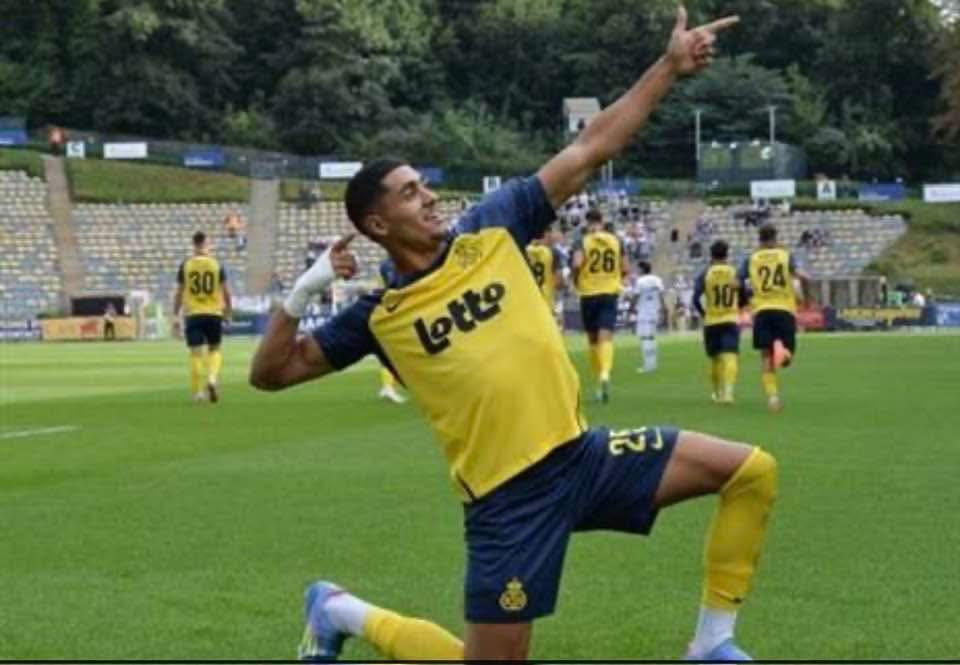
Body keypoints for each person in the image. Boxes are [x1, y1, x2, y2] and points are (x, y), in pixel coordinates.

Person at [250, 9, 774, 662]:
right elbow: (271, 373)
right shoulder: (378, 315)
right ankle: (337, 611)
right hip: (508, 502)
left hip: (584, 459)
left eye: (424, 185)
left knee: (750, 471)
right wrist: (303, 292)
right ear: (376, 225)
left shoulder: (492, 226)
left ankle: (712, 643)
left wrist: (668, 67)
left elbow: (590, 149)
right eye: (410, 193)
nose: (429, 196)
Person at [739, 223, 810, 413]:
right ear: (775, 237)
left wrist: (746, 300)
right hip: (785, 309)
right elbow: (804, 278)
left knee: (765, 356)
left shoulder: (751, 259)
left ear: (759, 239)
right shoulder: (785, 255)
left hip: (762, 310)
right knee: (786, 358)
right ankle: (781, 349)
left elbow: (740, 283)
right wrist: (806, 298)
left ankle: (773, 398)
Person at [572, 208, 628, 402]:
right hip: (609, 292)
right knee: (606, 336)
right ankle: (605, 373)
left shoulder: (582, 241)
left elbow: (577, 263)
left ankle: (598, 380)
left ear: (587, 222)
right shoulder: (616, 240)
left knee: (593, 339)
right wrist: (616, 278)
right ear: (602, 221)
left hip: (588, 292)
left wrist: (576, 280)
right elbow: (625, 267)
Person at [173, 231, 232, 403]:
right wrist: (228, 312)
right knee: (215, 349)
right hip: (214, 313)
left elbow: (179, 292)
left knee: (196, 353)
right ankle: (212, 379)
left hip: (193, 313)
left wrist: (175, 314)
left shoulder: (186, 265)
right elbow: (226, 292)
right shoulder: (216, 264)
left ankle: (198, 392)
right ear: (207, 244)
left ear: (194, 244)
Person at [693, 240, 742, 405]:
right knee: (730, 355)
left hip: (712, 321)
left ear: (711, 255)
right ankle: (728, 393)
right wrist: (738, 305)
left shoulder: (705, 273)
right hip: (730, 319)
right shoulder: (733, 272)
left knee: (715, 358)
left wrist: (704, 313)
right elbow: (743, 292)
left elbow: (695, 298)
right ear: (727, 254)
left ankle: (716, 392)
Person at [375, 258, 407, 404]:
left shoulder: (384, 266)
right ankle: (388, 387)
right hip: (401, 310)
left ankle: (388, 386)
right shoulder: (401, 262)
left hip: (391, 310)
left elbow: (380, 289)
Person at [632, 261, 666, 373]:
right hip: (655, 311)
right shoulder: (657, 279)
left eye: (638, 268)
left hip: (644, 312)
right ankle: (653, 364)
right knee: (652, 337)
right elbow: (661, 295)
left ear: (642, 269)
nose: (637, 270)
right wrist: (663, 309)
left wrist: (631, 307)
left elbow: (636, 296)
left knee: (645, 338)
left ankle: (648, 366)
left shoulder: (640, 281)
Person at [525, 227, 564, 316]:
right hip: (546, 302)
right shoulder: (553, 252)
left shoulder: (524, 250)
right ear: (547, 234)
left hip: (527, 302)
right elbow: (558, 282)